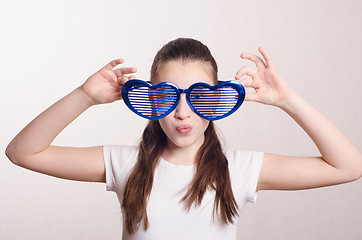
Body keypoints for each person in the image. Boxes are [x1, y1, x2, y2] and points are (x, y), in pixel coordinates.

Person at [5, 38, 362, 240]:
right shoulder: (124, 164)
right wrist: (84, 95)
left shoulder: (241, 170)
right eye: (167, 95)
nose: (182, 111)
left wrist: (287, 101)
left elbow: (348, 167)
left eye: (200, 96)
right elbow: (22, 152)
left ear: (219, 100)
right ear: (150, 99)